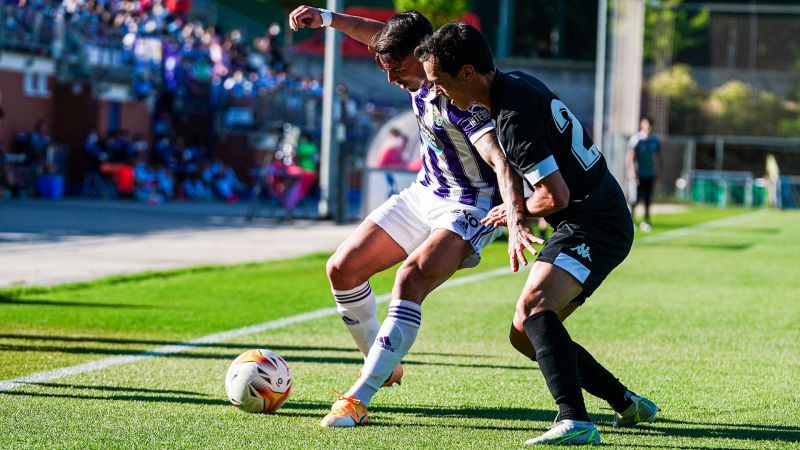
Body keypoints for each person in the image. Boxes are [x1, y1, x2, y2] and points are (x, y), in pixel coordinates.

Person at [289, 6, 539, 428]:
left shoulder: (455, 96)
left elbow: (498, 159)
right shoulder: (414, 64)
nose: (390, 78)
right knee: (342, 269)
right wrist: (328, 18)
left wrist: (516, 216)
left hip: (470, 206)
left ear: (419, 55)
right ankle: (383, 361)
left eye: (394, 68)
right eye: (383, 66)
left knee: (411, 278)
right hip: (425, 193)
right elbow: (377, 35)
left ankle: (357, 398)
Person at [416, 23, 659, 446]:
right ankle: (626, 402)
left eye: (440, 82)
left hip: (594, 222)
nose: (437, 93)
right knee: (525, 334)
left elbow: (554, 196)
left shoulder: (512, 116)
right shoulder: (514, 85)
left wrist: (515, 212)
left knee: (533, 308)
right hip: (585, 217)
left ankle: (575, 421)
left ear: (468, 73)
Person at [626, 117, 661, 232]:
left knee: (647, 199)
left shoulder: (655, 140)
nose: (649, 127)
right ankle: (631, 220)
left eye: (650, 125)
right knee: (634, 198)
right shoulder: (636, 139)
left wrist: (658, 171)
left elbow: (658, 157)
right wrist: (632, 171)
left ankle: (646, 220)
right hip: (638, 175)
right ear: (642, 125)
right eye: (647, 125)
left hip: (649, 174)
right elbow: (630, 156)